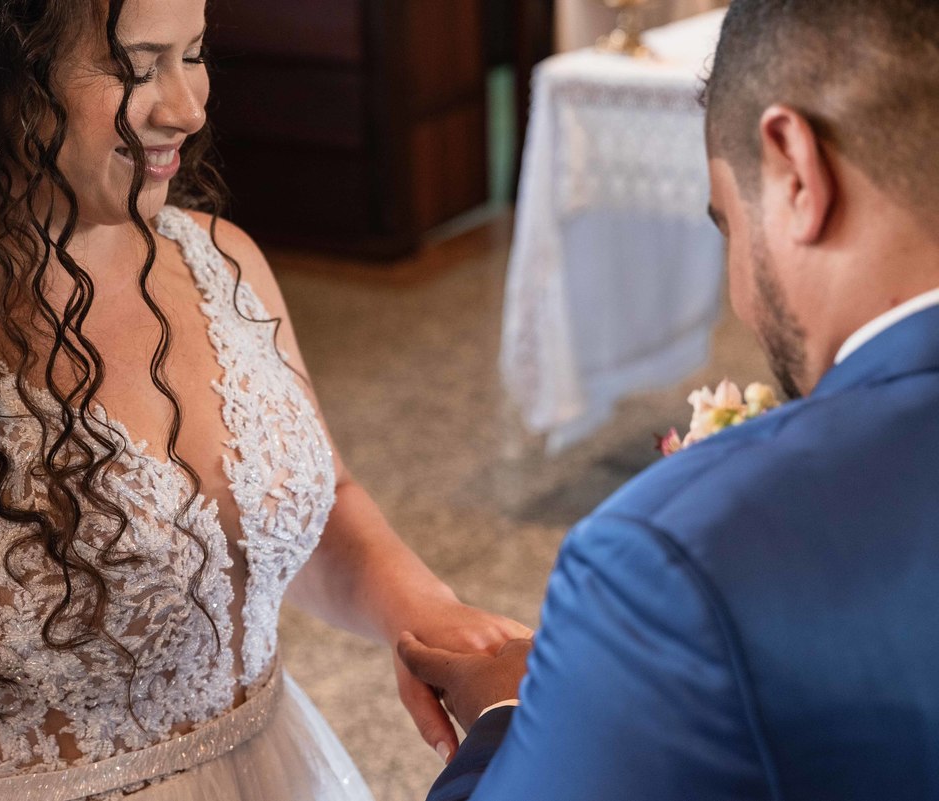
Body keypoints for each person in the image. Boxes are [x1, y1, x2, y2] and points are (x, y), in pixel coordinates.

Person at [0, 0, 530, 798]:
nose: (188, 109)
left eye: (195, 54)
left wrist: (428, 614)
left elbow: (309, 503)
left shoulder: (222, 261)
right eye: (137, 66)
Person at [399, 0, 939, 798]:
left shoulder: (672, 558)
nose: (741, 300)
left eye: (730, 225)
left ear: (794, 168)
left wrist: (510, 715)